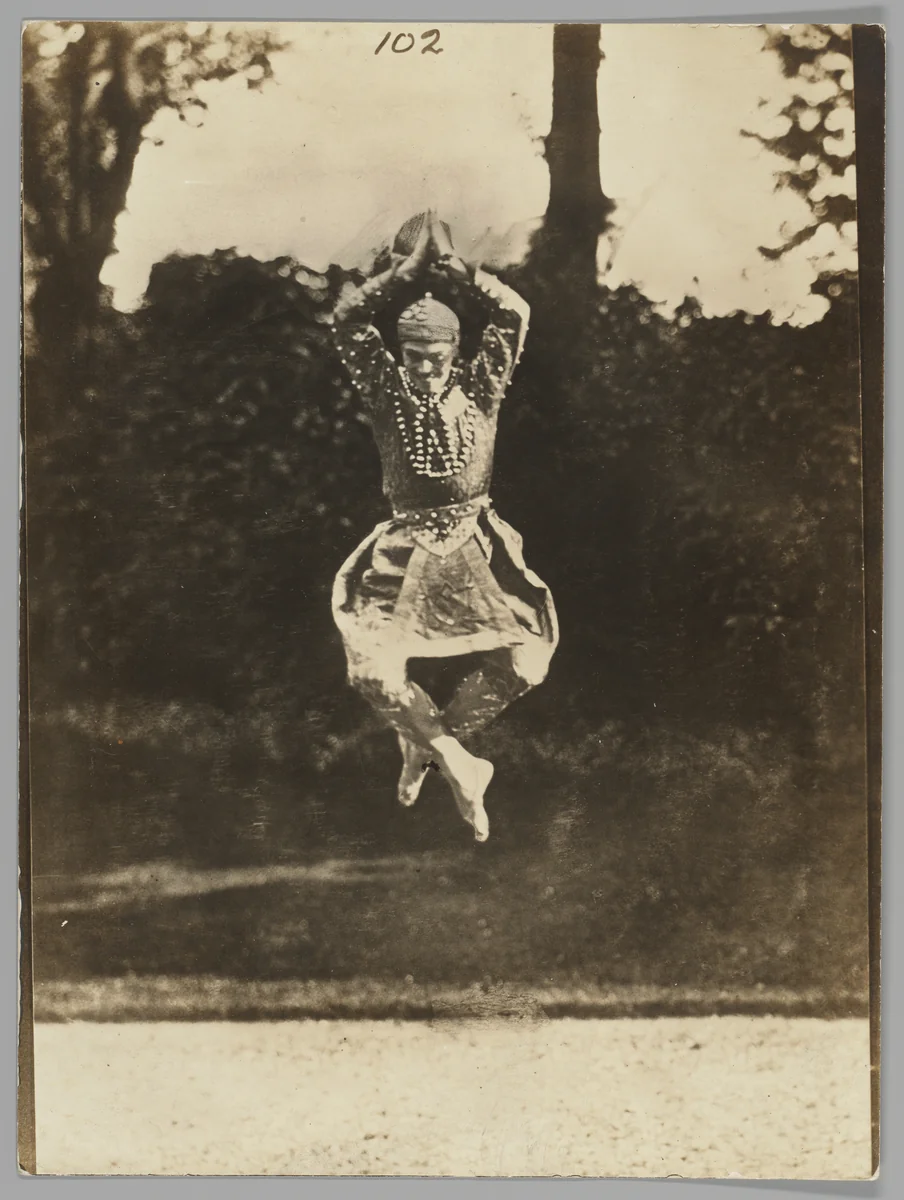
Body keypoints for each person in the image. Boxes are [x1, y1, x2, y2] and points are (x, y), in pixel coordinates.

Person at [328, 211, 558, 842]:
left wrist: (463, 274)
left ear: (455, 354)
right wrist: (401, 275)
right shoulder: (386, 389)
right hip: (407, 545)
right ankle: (458, 761)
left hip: (476, 542)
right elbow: (347, 320)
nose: (425, 369)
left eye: (436, 357)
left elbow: (514, 316)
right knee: (374, 673)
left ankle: (432, 745)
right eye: (413, 357)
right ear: (399, 355)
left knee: (524, 664)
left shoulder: (481, 387)